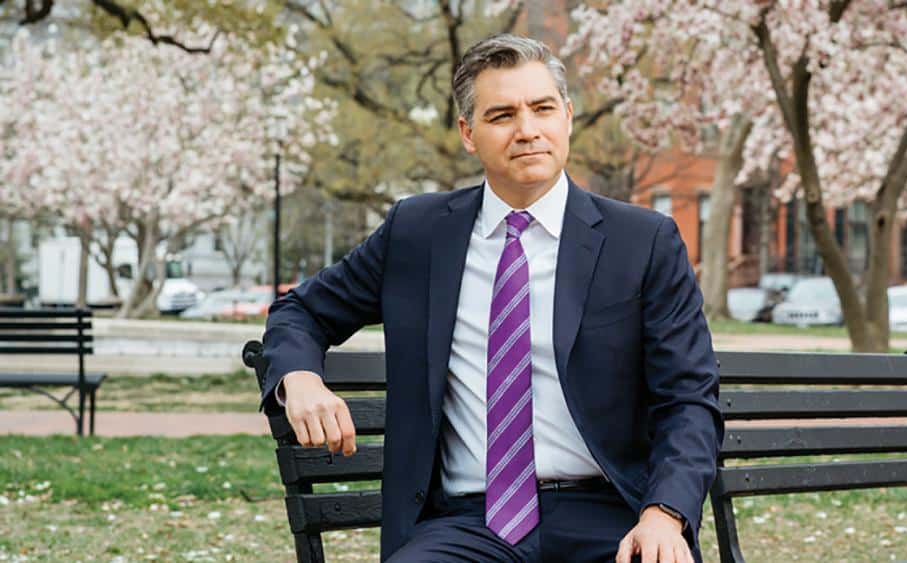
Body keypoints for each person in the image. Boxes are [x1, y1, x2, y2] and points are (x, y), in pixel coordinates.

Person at [261, 34, 723, 563]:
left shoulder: (642, 242)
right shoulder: (417, 233)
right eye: (502, 115)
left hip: (612, 516)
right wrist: (299, 378)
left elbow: (688, 400)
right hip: (467, 525)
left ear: (567, 116)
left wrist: (664, 513)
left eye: (542, 109)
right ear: (468, 133)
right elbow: (301, 310)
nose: (527, 130)